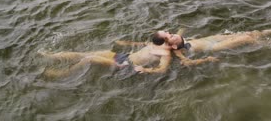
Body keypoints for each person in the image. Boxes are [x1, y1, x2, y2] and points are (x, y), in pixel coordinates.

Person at [37, 32, 174, 78]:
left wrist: (145, 70)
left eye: (168, 33)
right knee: (84, 54)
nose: (169, 32)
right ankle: (52, 56)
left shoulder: (166, 54)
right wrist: (122, 42)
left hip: (125, 65)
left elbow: (162, 70)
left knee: (89, 59)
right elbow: (138, 44)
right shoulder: (154, 44)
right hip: (123, 55)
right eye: (167, 32)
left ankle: (61, 74)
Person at [163, 19, 271, 66]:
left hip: (214, 38)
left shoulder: (177, 38)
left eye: (171, 33)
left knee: (251, 33)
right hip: (214, 46)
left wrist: (183, 24)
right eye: (170, 36)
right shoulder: (177, 49)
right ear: (173, 45)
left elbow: (180, 29)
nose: (172, 34)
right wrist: (207, 60)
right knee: (247, 39)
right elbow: (186, 62)